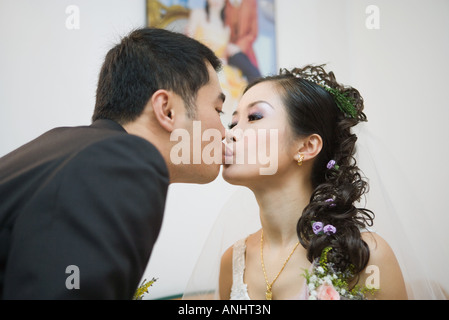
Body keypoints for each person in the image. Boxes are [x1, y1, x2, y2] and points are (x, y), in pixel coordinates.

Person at [0, 27, 225, 299]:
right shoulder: (124, 162)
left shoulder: (61, 145)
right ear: (167, 110)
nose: (224, 132)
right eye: (218, 110)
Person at [184, 64, 443, 300]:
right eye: (232, 121)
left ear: (307, 146)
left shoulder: (366, 257)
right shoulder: (232, 262)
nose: (230, 134)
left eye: (254, 118)